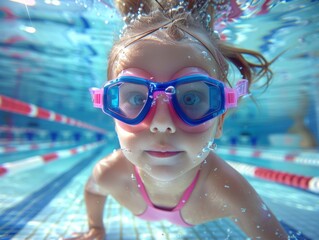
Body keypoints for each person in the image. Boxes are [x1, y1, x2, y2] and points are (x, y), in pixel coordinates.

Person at [67, 0, 288, 239]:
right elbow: (93, 190)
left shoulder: (228, 190)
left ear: (220, 120)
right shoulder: (110, 173)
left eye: (191, 98)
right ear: (111, 112)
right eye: (136, 98)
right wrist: (96, 228)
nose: (162, 123)